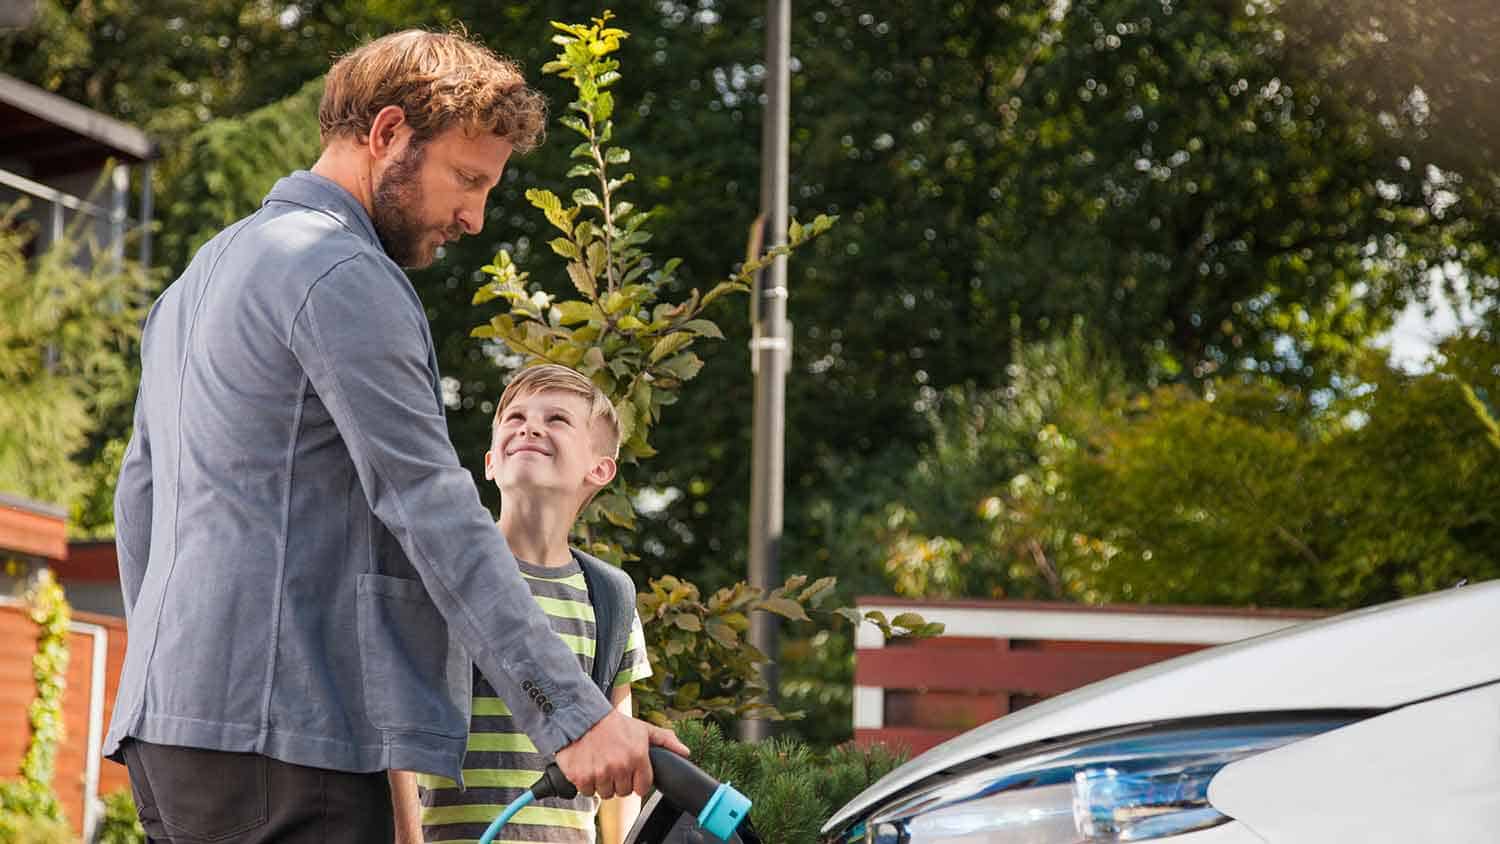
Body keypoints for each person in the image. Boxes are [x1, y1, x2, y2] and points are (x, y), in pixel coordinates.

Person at [104, 29, 685, 844]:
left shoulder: (196, 280)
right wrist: (574, 716)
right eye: (468, 179)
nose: (475, 217)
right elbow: (430, 503)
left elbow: (140, 505)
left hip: (174, 732)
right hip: (293, 740)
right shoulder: (342, 274)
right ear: (386, 135)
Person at [391, 364, 653, 844]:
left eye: (556, 419)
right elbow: (394, 731)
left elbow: (619, 759)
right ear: (490, 462)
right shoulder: (441, 576)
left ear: (599, 469)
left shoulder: (610, 599)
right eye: (514, 418)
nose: (530, 426)